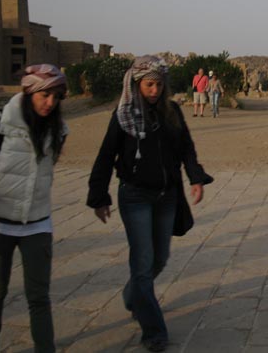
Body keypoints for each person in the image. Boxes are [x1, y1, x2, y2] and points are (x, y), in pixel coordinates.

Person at [87, 56, 213, 352]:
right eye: (148, 85)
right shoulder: (123, 115)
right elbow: (106, 156)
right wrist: (99, 197)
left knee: (160, 259)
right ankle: (154, 331)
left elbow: (186, 148)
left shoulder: (172, 112)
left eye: (158, 84)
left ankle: (133, 297)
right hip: (135, 196)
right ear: (136, 85)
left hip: (166, 195)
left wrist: (195, 177)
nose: (154, 90)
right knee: (143, 263)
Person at [0, 64, 68, 353]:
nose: (50, 103)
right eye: (45, 95)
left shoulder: (59, 130)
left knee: (39, 297)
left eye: (56, 97)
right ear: (29, 91)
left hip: (37, 223)